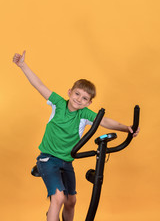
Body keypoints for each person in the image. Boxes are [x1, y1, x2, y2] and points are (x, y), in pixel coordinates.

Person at [13, 50, 140, 221]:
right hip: (48, 159)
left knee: (71, 201)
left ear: (89, 102)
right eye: (77, 94)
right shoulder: (58, 103)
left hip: (67, 162)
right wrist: (23, 66)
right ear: (70, 92)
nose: (79, 99)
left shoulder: (85, 114)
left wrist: (127, 128)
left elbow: (105, 122)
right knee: (57, 198)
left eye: (84, 98)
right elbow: (39, 85)